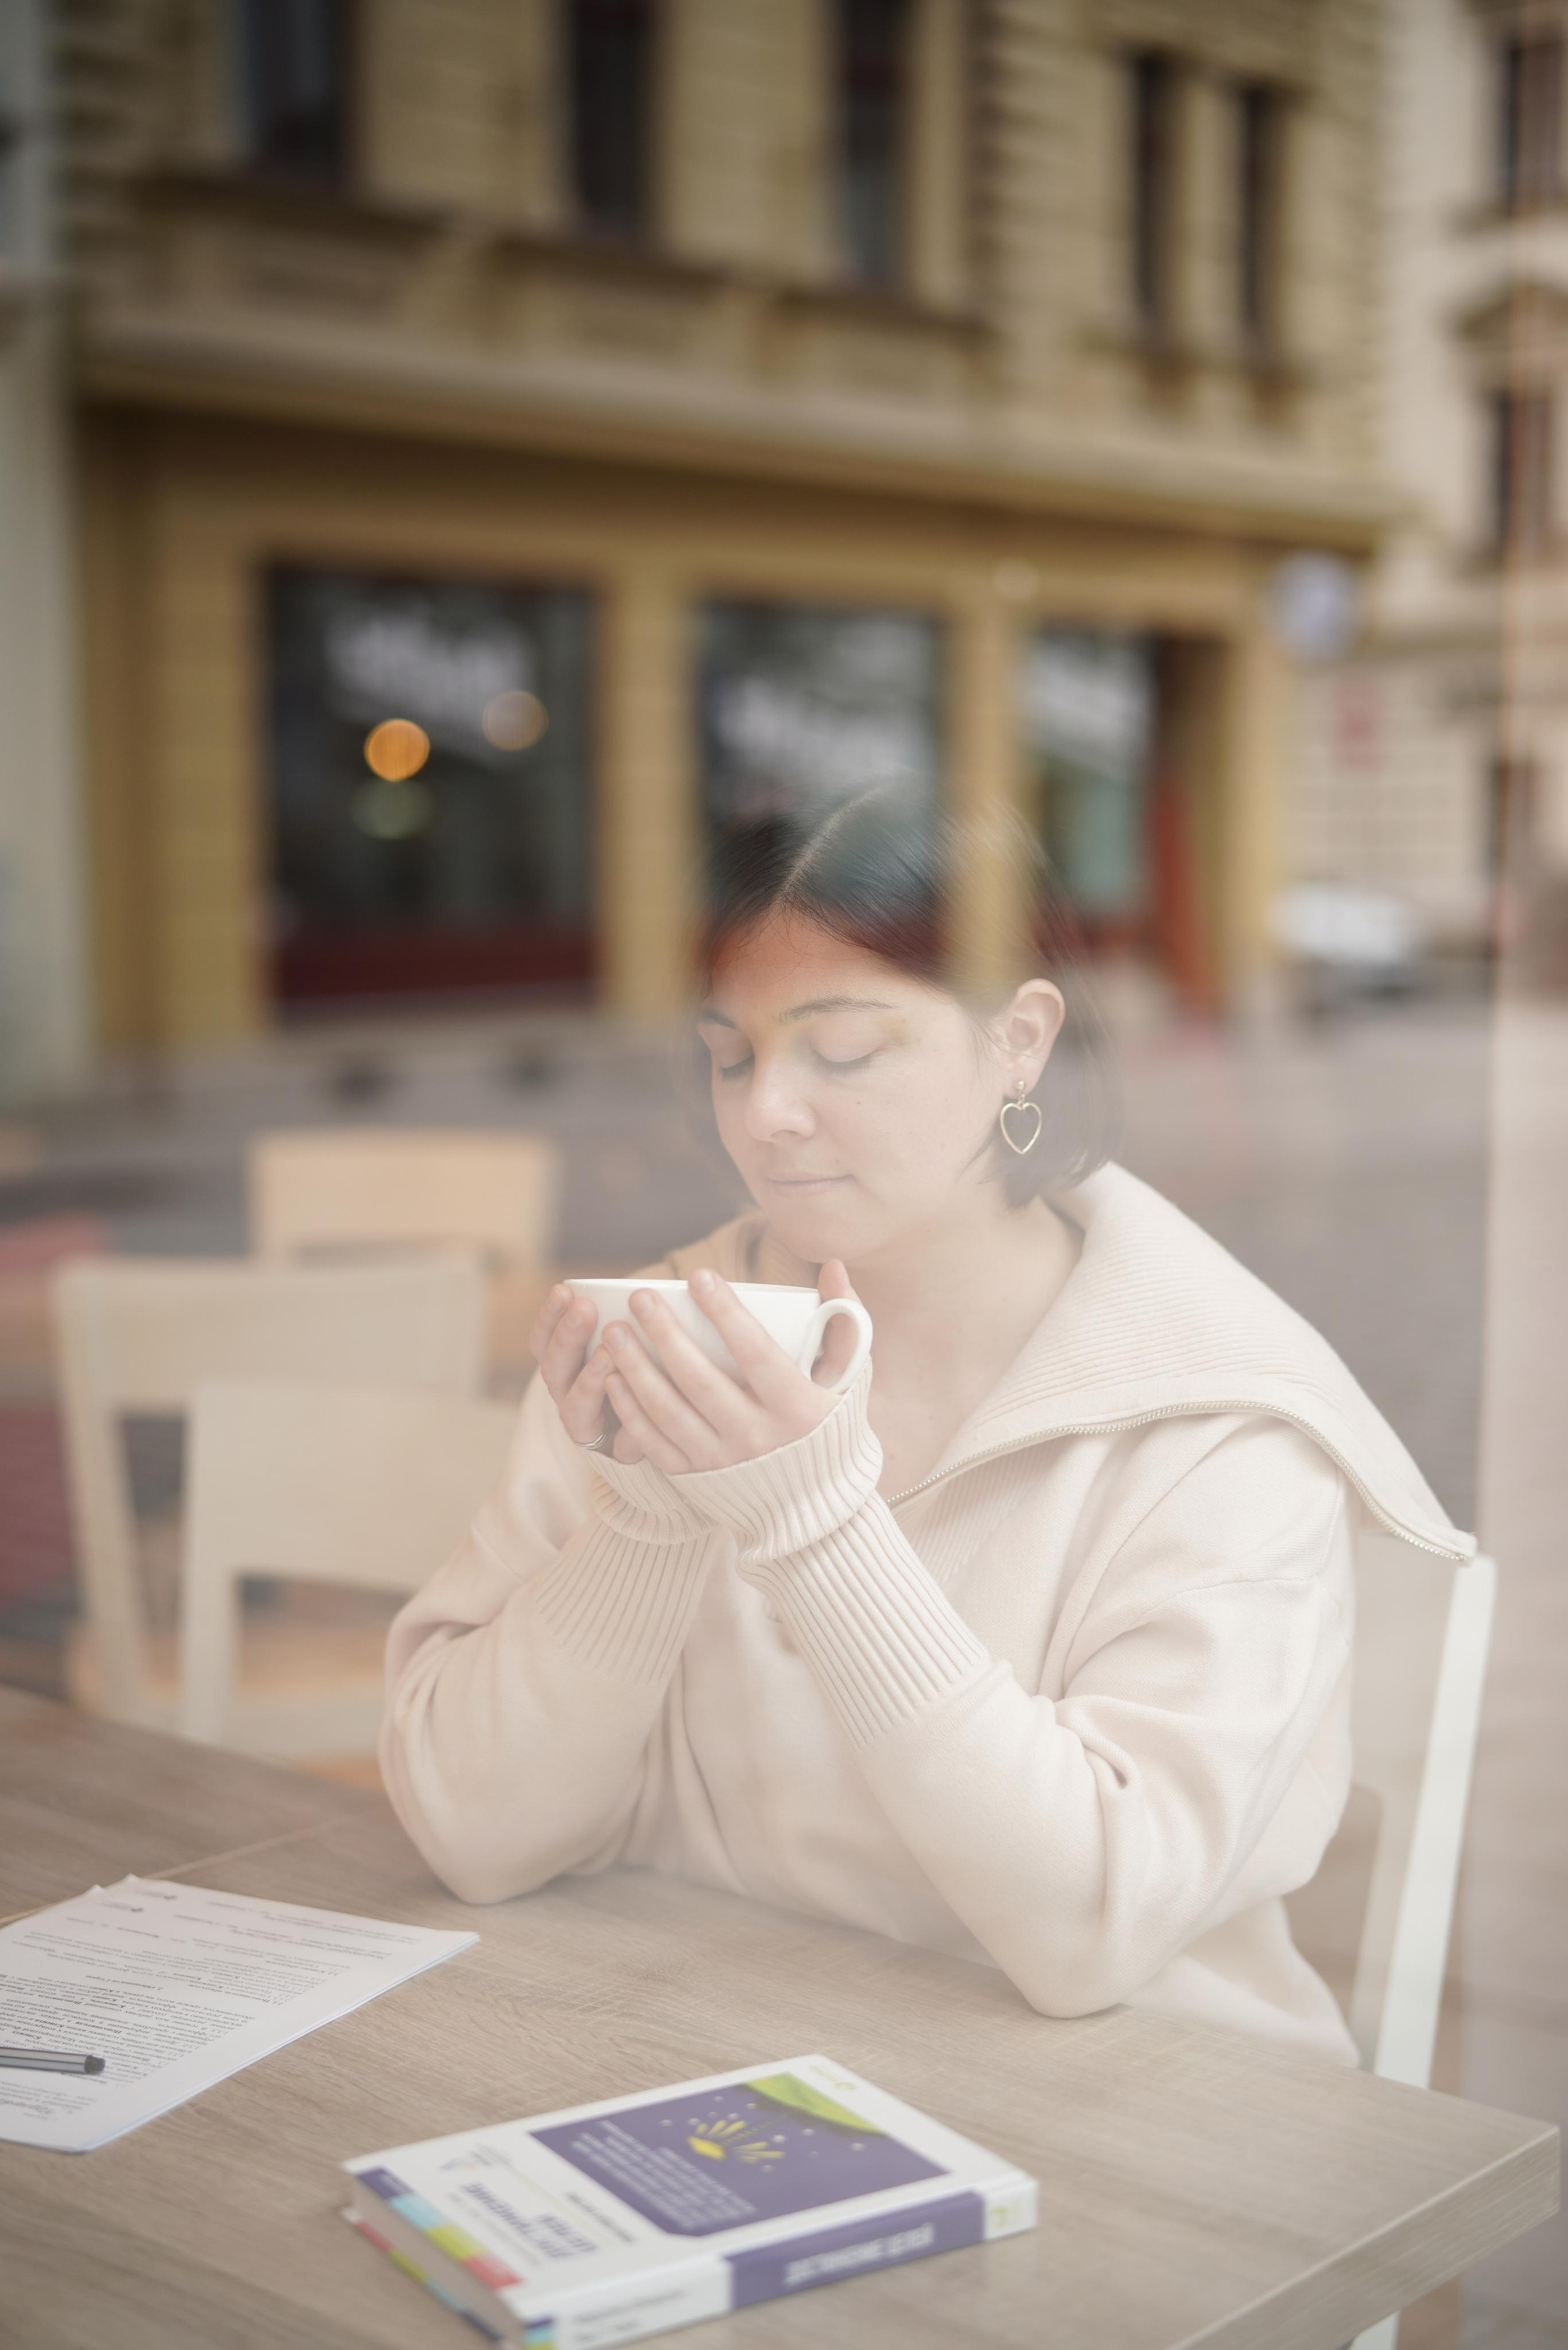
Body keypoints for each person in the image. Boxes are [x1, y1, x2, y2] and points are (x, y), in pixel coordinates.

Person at [381, 793, 1470, 2060]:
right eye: (729, 1056)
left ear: (1020, 1042)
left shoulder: (1213, 1415)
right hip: (715, 2055)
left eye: (842, 1050)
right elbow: (474, 1833)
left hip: (1135, 2109)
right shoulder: (671, 1338)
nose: (765, 1111)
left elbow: (1095, 1925)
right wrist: (647, 1516)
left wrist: (810, 1523)